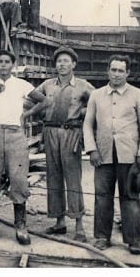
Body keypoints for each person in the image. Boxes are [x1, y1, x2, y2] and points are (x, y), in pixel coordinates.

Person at [0, 49, 48, 245]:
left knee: (18, 178)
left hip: (14, 133)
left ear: (12, 65)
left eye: (6, 62)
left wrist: (26, 116)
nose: (3, 65)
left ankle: (20, 226)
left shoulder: (21, 84)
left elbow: (44, 101)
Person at [83, 55, 140, 255]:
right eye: (113, 70)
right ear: (108, 71)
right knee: (102, 197)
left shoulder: (137, 94)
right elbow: (88, 124)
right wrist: (92, 149)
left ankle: (133, 240)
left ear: (128, 73)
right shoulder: (97, 95)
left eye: (121, 71)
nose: (116, 74)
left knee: (130, 196)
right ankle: (102, 237)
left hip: (129, 155)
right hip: (102, 155)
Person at [31, 47, 94, 242]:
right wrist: (40, 112)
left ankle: (79, 226)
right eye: (59, 61)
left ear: (74, 64)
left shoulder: (84, 86)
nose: (62, 65)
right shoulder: (47, 85)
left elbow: (97, 106)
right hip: (50, 133)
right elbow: (30, 100)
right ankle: (59, 222)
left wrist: (82, 114)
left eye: (66, 61)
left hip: (71, 134)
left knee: (72, 179)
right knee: (54, 178)